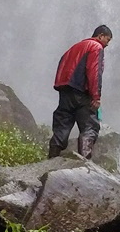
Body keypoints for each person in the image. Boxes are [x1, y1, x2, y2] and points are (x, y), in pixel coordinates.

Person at [47, 24, 112, 160]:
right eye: (108, 39)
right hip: (82, 92)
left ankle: (52, 158)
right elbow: (94, 72)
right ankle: (84, 162)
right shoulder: (96, 47)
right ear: (100, 36)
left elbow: (62, 65)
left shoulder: (74, 47)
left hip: (65, 90)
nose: (107, 44)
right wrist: (96, 96)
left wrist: (62, 86)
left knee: (62, 124)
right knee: (90, 127)